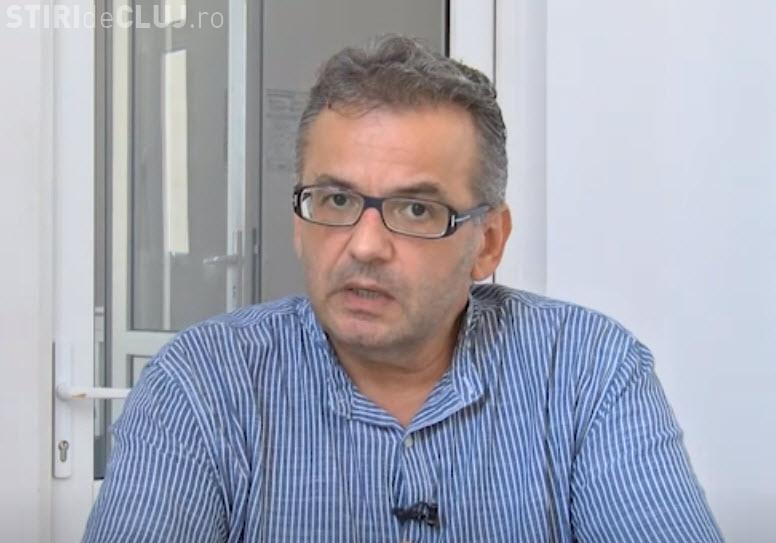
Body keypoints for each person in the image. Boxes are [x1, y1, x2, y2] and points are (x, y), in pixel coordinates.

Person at [84, 35, 723, 542]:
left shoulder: (587, 371)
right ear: (299, 222)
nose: (364, 245)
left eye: (416, 210)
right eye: (336, 200)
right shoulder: (200, 385)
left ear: (488, 242)